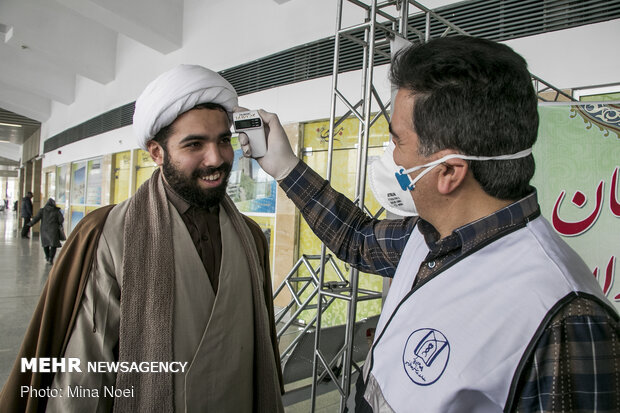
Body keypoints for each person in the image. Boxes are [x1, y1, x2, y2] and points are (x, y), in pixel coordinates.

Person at [240, 36, 620, 412]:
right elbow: (357, 238)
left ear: (449, 172)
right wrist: (286, 168)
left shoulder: (566, 320)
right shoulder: (429, 236)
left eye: (398, 142)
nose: (392, 158)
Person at [0, 65, 284, 412]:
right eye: (194, 144)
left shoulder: (250, 236)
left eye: (223, 140)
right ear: (156, 153)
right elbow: (85, 375)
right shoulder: (109, 234)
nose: (217, 158)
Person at [27, 198, 64, 264]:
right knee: (53, 244)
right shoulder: (57, 211)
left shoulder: (42, 211)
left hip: (45, 229)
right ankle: (51, 258)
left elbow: (36, 218)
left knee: (45, 244)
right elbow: (61, 220)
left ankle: (47, 256)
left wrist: (30, 224)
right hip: (54, 230)